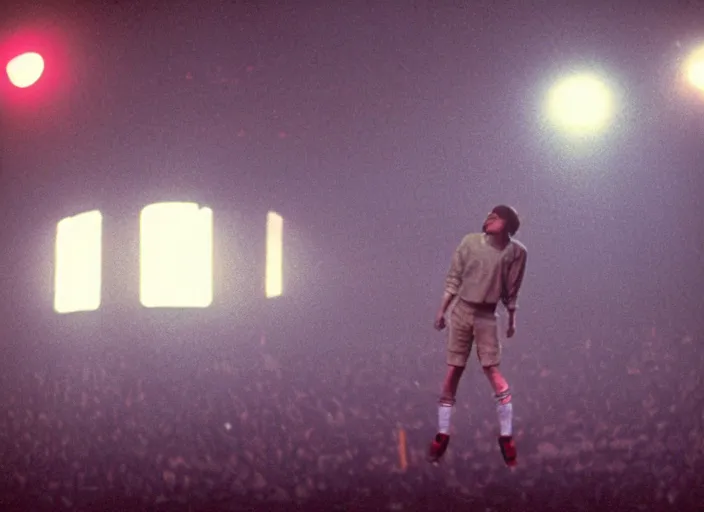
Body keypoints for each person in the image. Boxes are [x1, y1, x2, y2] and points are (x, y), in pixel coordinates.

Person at [427, 205, 527, 467]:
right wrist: (443, 310)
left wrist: (512, 318)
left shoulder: (515, 253)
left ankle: (506, 435)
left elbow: (512, 288)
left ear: (507, 224)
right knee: (453, 370)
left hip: (487, 314)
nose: (489, 217)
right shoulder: (470, 242)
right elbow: (454, 278)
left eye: (497, 216)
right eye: (489, 214)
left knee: (492, 369)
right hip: (462, 309)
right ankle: (443, 432)